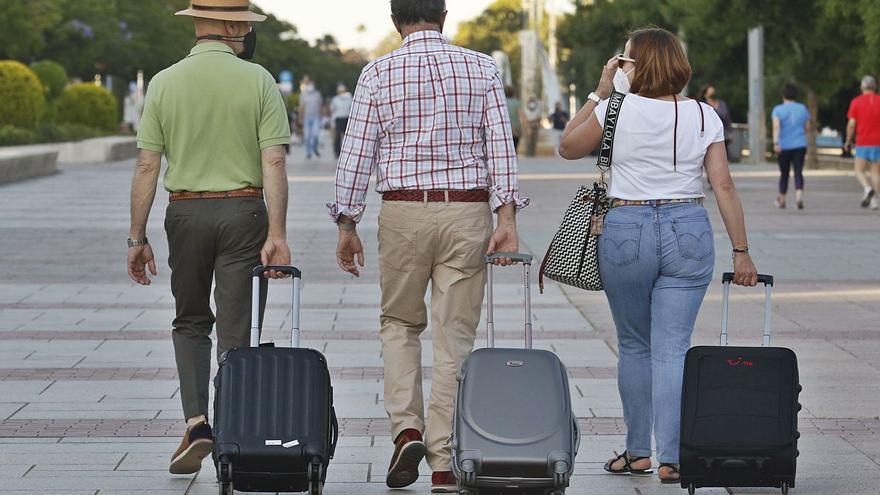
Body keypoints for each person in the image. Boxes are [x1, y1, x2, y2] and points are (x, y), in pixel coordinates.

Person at [328, 0, 527, 492]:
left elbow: (357, 152)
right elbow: (500, 146)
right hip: (467, 212)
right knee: (453, 334)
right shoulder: (481, 68)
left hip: (401, 212)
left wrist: (347, 222)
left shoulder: (377, 74)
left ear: (396, 22)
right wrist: (507, 216)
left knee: (398, 323)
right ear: (444, 16)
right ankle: (442, 459)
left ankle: (407, 430)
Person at [558, 27, 759, 485]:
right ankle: (672, 458)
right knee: (673, 349)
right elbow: (722, 185)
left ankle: (637, 452)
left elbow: (568, 146)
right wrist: (741, 252)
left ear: (637, 66)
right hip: (687, 226)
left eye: (625, 59)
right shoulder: (704, 114)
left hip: (626, 228)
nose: (622, 64)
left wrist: (599, 91)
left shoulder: (614, 108)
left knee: (634, 345)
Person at [126, 0, 292, 476]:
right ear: (234, 24)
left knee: (190, 319)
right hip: (244, 210)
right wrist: (277, 233)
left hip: (185, 212)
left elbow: (146, 166)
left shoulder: (164, 81)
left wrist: (136, 236)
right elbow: (274, 160)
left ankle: (197, 423)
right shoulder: (257, 80)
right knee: (238, 328)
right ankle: (235, 432)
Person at [771, 83, 811, 210]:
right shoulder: (803, 108)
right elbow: (807, 127)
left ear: (783, 95)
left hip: (784, 145)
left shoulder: (777, 110)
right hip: (800, 144)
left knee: (784, 173)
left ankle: (782, 199)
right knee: (798, 172)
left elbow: (776, 127)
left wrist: (776, 142)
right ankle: (799, 197)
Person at [845, 75, 880, 210]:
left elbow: (852, 124)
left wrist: (848, 140)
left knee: (858, 170)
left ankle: (867, 188)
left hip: (863, 141)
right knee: (875, 172)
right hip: (878, 142)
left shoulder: (856, 102)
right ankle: (875, 201)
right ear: (875, 87)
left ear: (862, 87)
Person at [699, 84, 732, 150]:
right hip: (709, 136)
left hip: (723, 135)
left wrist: (730, 132)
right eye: (711, 93)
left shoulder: (722, 104)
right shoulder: (704, 106)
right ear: (705, 95)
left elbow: (728, 118)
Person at [299, 76, 323, 159]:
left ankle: (315, 148)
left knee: (315, 135)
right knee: (307, 136)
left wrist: (321, 116)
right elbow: (301, 107)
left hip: (316, 117)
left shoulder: (317, 94)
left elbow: (320, 105)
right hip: (307, 117)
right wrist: (300, 118)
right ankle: (308, 152)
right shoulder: (303, 95)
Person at [330, 83, 353, 159]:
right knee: (337, 136)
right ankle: (337, 151)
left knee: (347, 137)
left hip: (347, 118)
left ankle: (348, 151)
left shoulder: (349, 98)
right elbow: (332, 110)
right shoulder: (335, 99)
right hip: (338, 119)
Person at [505, 85, 525, 151]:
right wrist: (526, 128)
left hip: (504, 129)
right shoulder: (517, 103)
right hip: (515, 130)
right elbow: (521, 116)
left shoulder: (502, 102)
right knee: (514, 148)